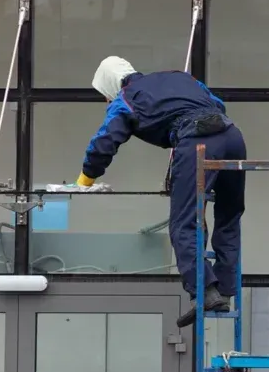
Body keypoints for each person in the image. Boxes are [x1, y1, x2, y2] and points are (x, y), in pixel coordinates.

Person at [77, 56, 246, 327]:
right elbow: (216, 103)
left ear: (110, 85)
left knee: (184, 224)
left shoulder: (126, 98)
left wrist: (85, 179)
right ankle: (224, 289)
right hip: (232, 136)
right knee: (228, 215)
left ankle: (204, 292)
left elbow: (105, 141)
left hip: (198, 143)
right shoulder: (180, 76)